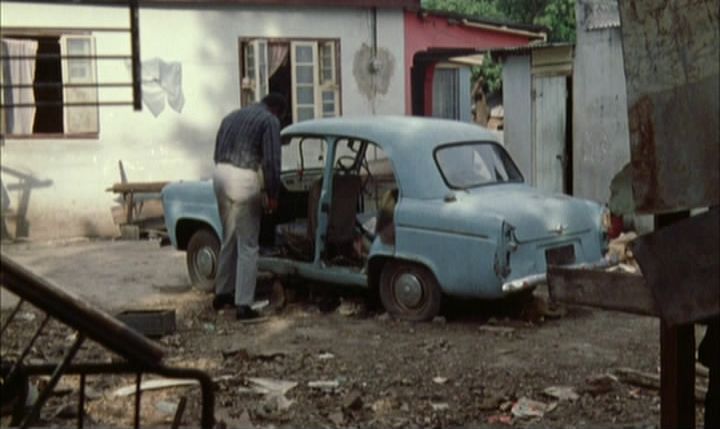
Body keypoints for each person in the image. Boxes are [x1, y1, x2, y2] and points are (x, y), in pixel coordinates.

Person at [211, 93, 287, 320]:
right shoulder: (269, 121)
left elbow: (216, 152)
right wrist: (273, 193)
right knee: (249, 244)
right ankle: (244, 304)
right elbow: (272, 160)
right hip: (244, 176)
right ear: (277, 111)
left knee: (229, 237)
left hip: (220, 173)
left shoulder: (232, 116)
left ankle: (222, 293)